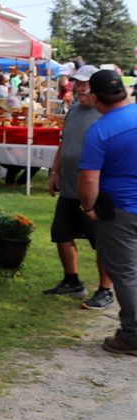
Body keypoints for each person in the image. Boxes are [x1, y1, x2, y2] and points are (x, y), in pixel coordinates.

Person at [44, 65, 114, 307]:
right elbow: (64, 144)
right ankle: (72, 281)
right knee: (61, 234)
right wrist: (55, 171)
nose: (80, 88)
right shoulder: (72, 110)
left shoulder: (105, 113)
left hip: (95, 190)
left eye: (86, 84)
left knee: (102, 241)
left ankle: (106, 289)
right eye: (77, 83)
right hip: (70, 188)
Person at [78, 69, 137, 355]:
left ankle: (133, 335)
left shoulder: (101, 130)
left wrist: (88, 207)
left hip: (121, 209)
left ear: (97, 98)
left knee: (125, 272)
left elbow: (89, 178)